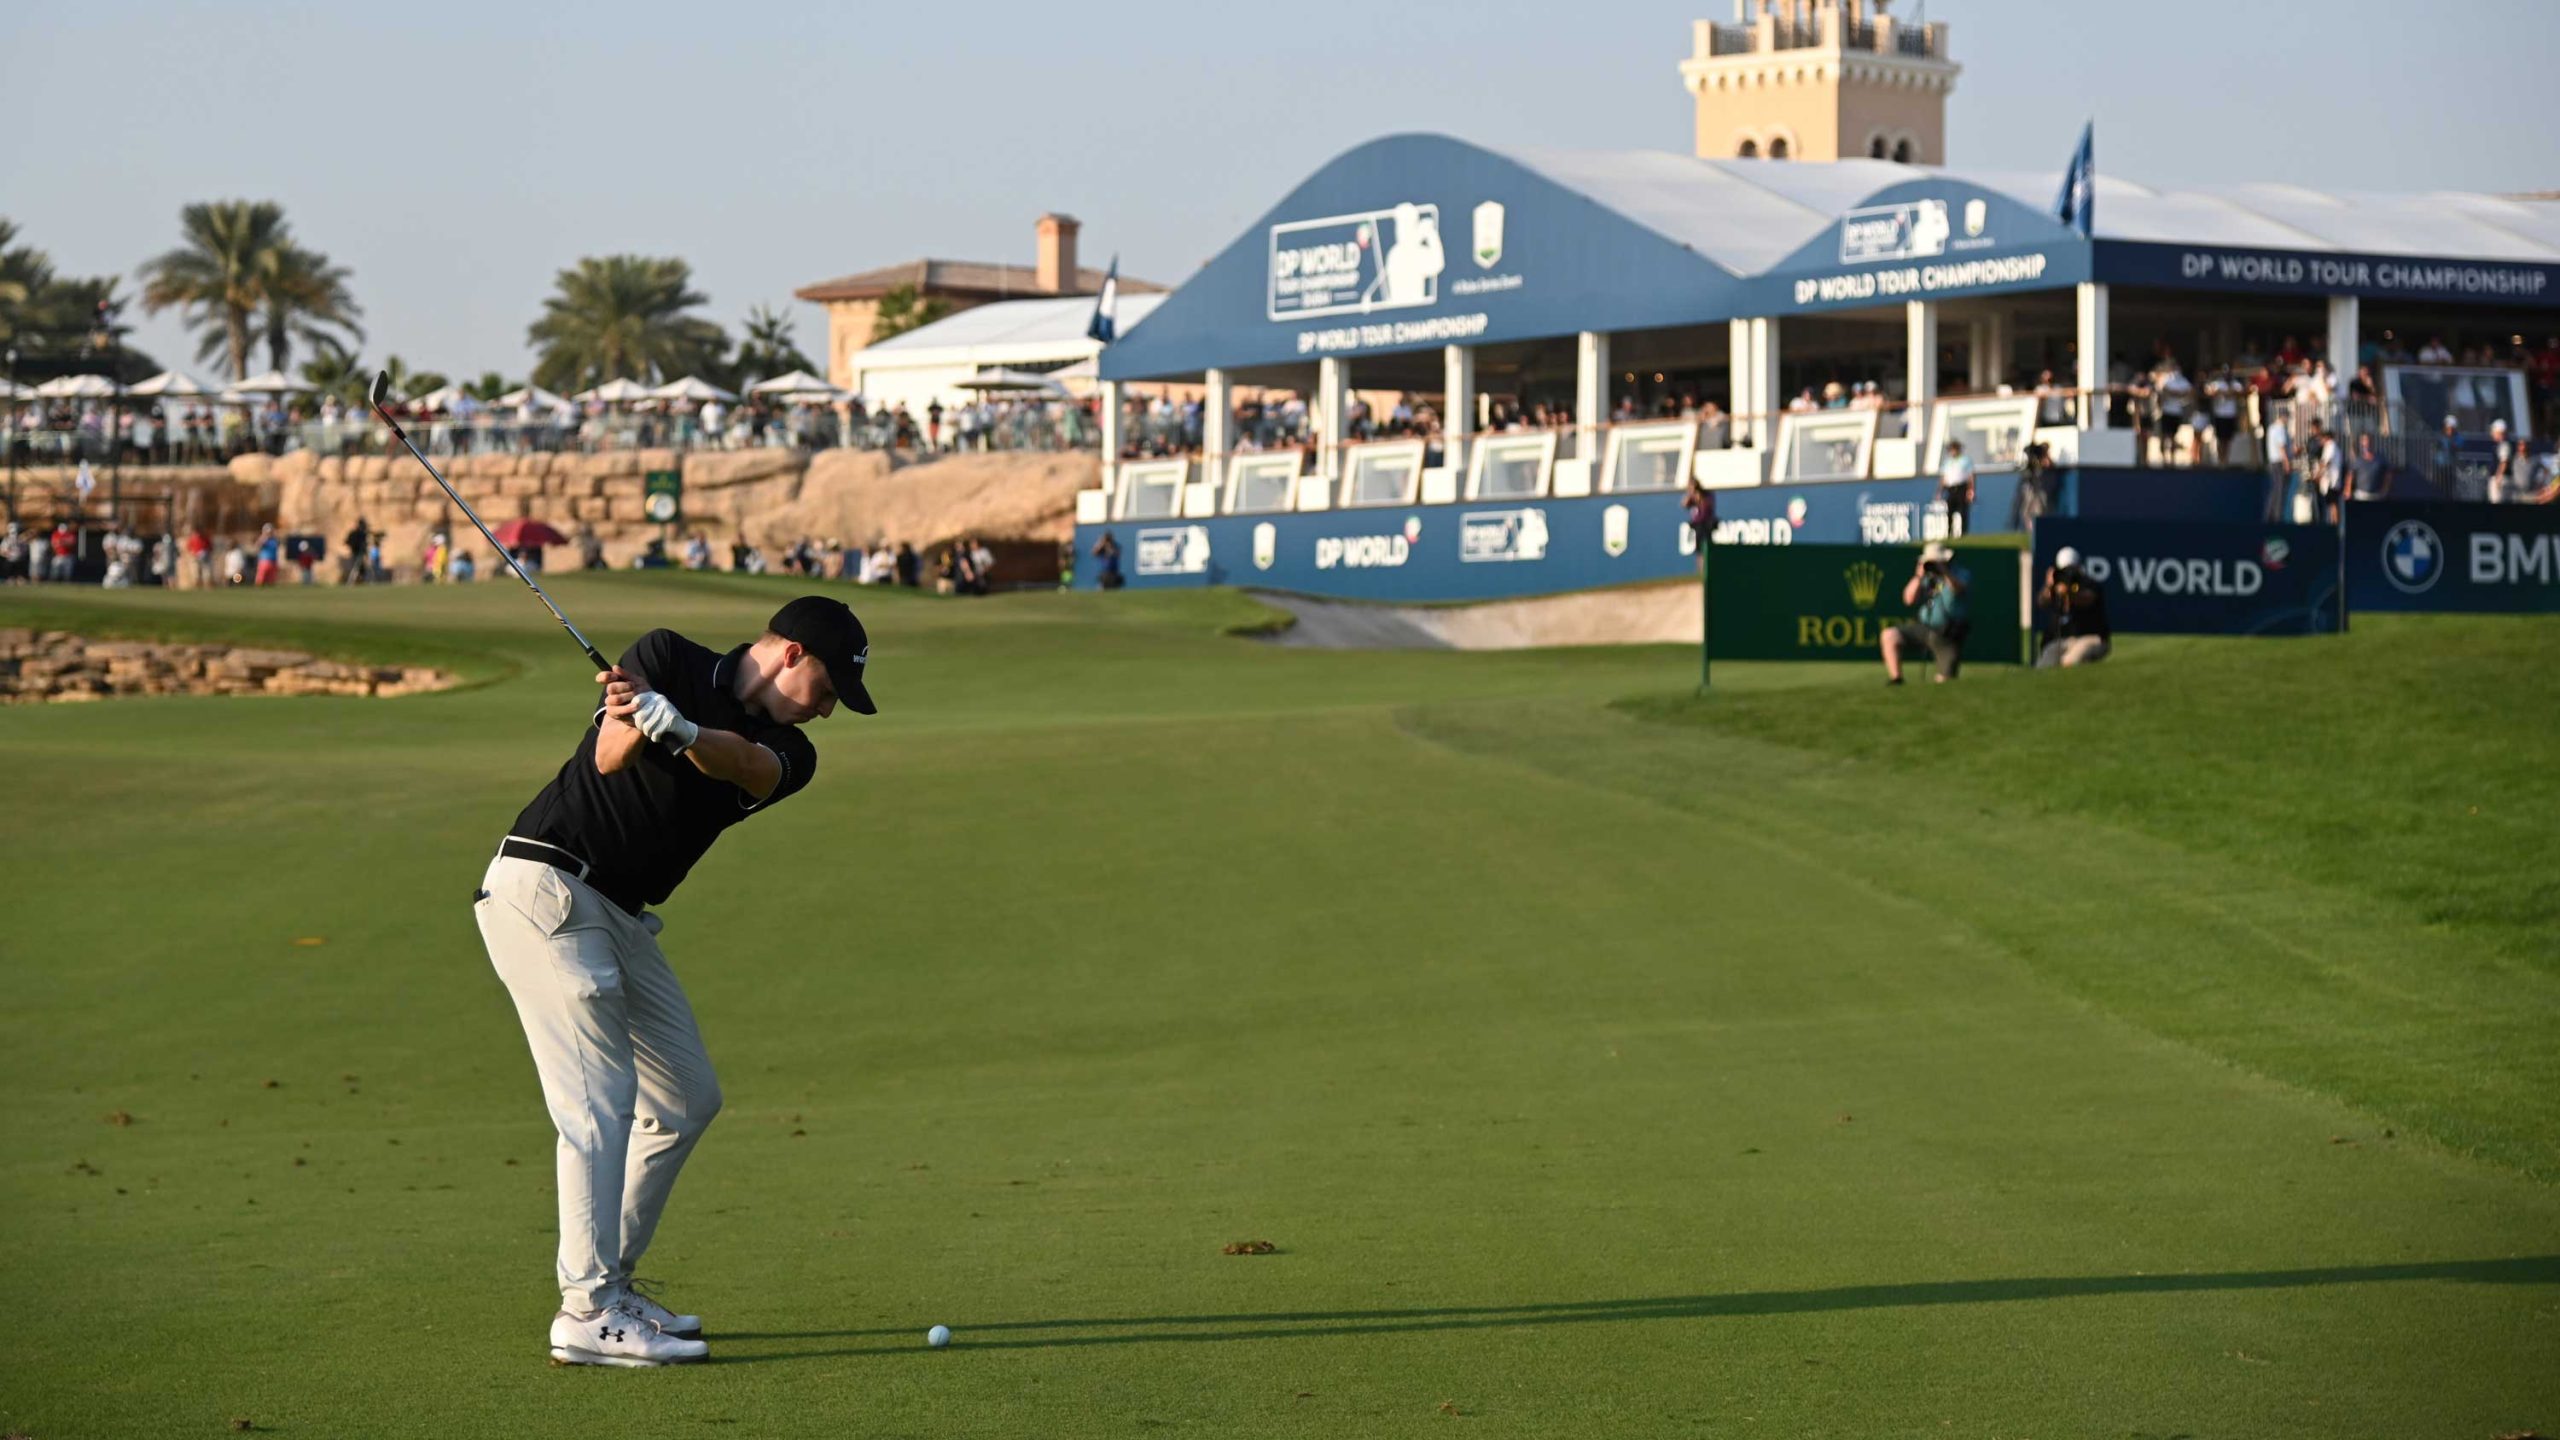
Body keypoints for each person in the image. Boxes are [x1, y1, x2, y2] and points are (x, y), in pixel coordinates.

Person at [473, 595, 876, 1366]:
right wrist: (637, 713)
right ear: (791, 653)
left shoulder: (793, 754)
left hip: (619, 916)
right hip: (547, 887)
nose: (826, 712)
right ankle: (586, 1309)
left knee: (687, 1095)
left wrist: (686, 731)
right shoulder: (664, 656)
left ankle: (610, 1284)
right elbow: (608, 759)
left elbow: (748, 765)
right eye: (828, 691)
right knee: (600, 1102)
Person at [1881, 542, 1969, 685]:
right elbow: (1908, 599)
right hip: (1925, 627)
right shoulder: (1927, 577)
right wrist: (1918, 576)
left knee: (1945, 681)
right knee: (1890, 635)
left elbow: (1957, 589)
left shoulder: (1960, 573)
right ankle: (1896, 678)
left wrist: (1944, 572)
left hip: (1947, 632)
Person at [2035, 546, 2112, 669]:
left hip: (2091, 638)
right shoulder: (2055, 588)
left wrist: (2069, 592)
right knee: (2044, 665)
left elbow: (2087, 599)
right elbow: (2041, 601)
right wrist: (2050, 586)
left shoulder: (2089, 583)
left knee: (2069, 662)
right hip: (2061, 640)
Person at [1936, 439, 1976, 539]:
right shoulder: (1947, 462)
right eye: (1950, 450)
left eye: (1953, 449)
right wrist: (1939, 491)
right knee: (1950, 512)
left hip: (1962, 488)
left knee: (1963, 512)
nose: (1952, 452)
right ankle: (1949, 533)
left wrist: (1971, 490)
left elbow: (1971, 477)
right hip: (1951, 489)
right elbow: (1943, 478)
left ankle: (1964, 534)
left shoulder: (1966, 460)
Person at [1681, 476, 1717, 567]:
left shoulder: (1706, 495)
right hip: (1698, 526)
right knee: (1699, 551)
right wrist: (1691, 493)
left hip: (1706, 524)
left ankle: (1709, 568)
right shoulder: (1692, 495)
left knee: (1707, 548)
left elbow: (1708, 506)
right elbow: (1684, 504)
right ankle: (1701, 570)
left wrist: (1699, 496)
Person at [343, 518, 372, 585]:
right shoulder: (359, 534)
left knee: (359, 567)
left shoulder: (357, 533)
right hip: (358, 552)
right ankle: (352, 582)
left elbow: (347, 541)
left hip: (357, 552)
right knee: (356, 568)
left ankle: (363, 580)